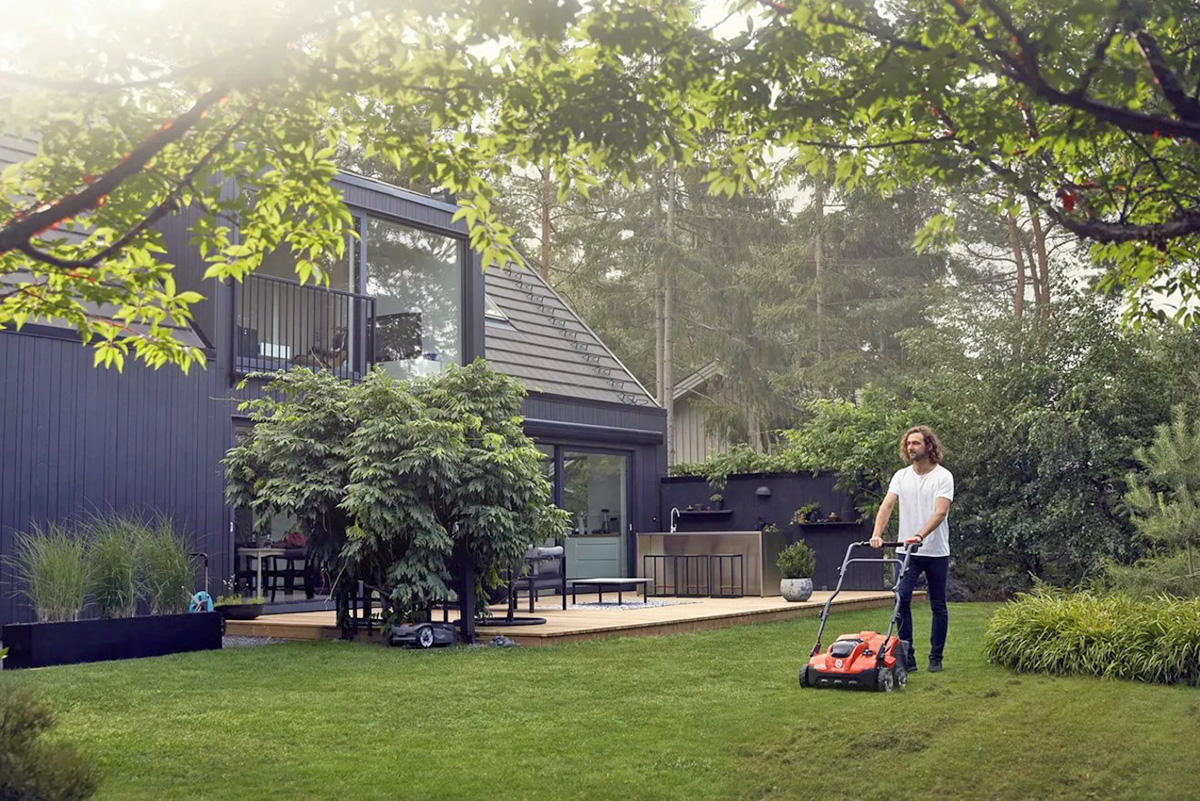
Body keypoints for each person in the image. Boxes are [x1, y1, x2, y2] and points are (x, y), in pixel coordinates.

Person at [869, 425, 953, 673]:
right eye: (908, 444)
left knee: (938, 604)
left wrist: (920, 535)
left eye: (915, 443)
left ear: (928, 446)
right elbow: (886, 507)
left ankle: (936, 657)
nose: (910, 447)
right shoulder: (900, 476)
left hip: (936, 551)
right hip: (907, 553)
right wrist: (876, 534)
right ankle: (908, 655)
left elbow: (940, 512)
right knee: (901, 599)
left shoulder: (943, 476)